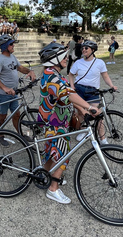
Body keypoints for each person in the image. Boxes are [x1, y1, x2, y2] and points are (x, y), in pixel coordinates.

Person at [38, 43, 99, 204]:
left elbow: (69, 94)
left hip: (60, 121)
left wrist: (83, 110)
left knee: (54, 152)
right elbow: (66, 93)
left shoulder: (57, 74)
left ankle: (44, 175)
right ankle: (53, 189)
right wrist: (89, 106)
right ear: (55, 59)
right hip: (53, 123)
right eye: (64, 56)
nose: (67, 59)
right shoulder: (50, 76)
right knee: (64, 154)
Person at [68, 40, 117, 143]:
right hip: (79, 89)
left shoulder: (100, 63)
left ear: (93, 50)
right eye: (83, 48)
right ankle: (83, 131)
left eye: (86, 48)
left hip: (93, 91)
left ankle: (103, 139)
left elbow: (105, 76)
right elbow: (71, 74)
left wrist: (112, 85)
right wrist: (72, 87)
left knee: (97, 114)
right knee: (81, 113)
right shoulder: (78, 62)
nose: (83, 50)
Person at [0, 35, 36, 140]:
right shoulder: (0, 60)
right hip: (4, 94)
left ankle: (20, 135)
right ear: (5, 46)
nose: (13, 45)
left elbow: (20, 68)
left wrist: (30, 71)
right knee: (3, 116)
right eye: (11, 44)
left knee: (16, 114)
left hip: (14, 92)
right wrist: (5, 88)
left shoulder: (12, 57)